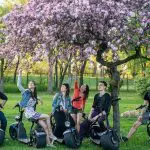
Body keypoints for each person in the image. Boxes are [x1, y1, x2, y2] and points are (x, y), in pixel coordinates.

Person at [17, 69, 56, 147]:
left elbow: (36, 99)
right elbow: (18, 85)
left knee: (45, 126)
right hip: (29, 113)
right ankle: (51, 134)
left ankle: (48, 143)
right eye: (29, 84)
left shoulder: (35, 96)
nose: (31, 85)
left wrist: (39, 99)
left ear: (34, 86)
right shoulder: (25, 92)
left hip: (33, 113)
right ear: (28, 86)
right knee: (47, 116)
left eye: (32, 84)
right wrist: (20, 73)